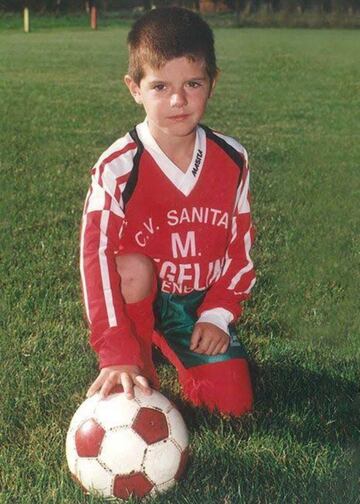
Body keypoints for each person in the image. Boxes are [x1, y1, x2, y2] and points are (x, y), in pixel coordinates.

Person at [81, 6, 256, 417]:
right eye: (160, 86)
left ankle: (177, 338)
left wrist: (216, 314)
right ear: (134, 88)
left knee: (231, 406)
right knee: (130, 269)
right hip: (139, 292)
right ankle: (139, 346)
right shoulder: (118, 167)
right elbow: (96, 260)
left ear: (212, 83)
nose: (178, 100)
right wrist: (114, 349)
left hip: (196, 302)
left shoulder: (231, 158)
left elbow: (241, 250)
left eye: (192, 83)